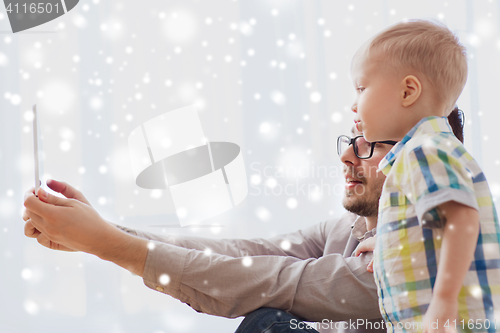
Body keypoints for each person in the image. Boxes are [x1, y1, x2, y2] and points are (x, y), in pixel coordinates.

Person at [22, 107, 465, 333]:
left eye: (370, 145)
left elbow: (270, 281)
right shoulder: (344, 232)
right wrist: (100, 233)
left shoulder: (419, 261)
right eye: (352, 139)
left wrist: (108, 245)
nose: (348, 155)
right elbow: (244, 255)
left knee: (269, 323)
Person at [350, 19, 499, 332]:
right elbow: (438, 224)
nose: (354, 104)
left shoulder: (424, 149)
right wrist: (391, 241)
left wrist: (443, 300)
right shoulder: (426, 151)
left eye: (362, 88)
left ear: (408, 91)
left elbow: (461, 220)